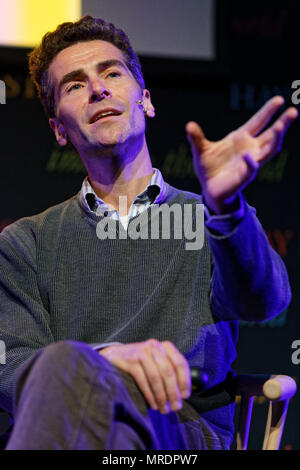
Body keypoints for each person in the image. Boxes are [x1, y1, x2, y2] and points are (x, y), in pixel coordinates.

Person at [0, 15, 297, 450]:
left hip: (179, 434)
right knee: (78, 395)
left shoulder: (208, 219)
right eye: (75, 85)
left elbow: (263, 301)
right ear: (59, 129)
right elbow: (11, 367)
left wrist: (227, 208)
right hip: (75, 425)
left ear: (147, 100)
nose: (98, 89)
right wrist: (102, 362)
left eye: (112, 73)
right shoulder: (24, 243)